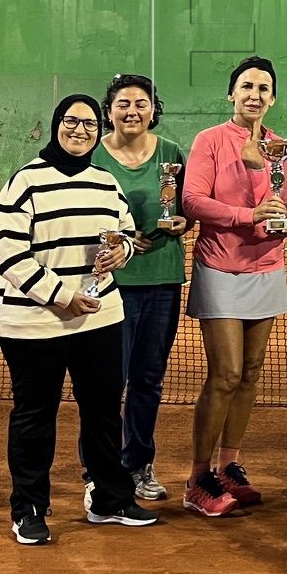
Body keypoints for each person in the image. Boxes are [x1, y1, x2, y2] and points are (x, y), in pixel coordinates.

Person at [0, 95, 160, 544]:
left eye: (89, 123)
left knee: (104, 413)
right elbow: (6, 251)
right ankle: (27, 508)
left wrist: (121, 250)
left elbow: (125, 232)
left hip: (101, 319)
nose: (80, 130)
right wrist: (59, 296)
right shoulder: (25, 181)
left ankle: (109, 498)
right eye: (71, 121)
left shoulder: (105, 181)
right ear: (56, 124)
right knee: (35, 417)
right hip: (34, 324)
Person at [181, 56, 287, 517]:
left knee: (250, 373)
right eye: (246, 86)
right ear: (232, 94)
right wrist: (247, 217)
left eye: (264, 88)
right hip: (220, 268)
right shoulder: (209, 140)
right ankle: (197, 477)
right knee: (225, 374)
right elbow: (192, 200)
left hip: (266, 267)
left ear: (272, 98)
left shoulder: (279, 148)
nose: (255, 94)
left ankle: (230, 466)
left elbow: (281, 201)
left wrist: (281, 221)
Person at [90, 74, 190, 504]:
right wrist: (121, 241)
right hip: (111, 282)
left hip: (161, 279)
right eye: (123, 104)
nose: (132, 111)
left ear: (153, 108)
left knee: (148, 379)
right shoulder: (92, 156)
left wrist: (183, 221)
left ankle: (139, 464)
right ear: (108, 110)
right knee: (106, 381)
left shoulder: (170, 154)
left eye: (141, 103)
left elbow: (183, 211)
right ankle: (99, 467)